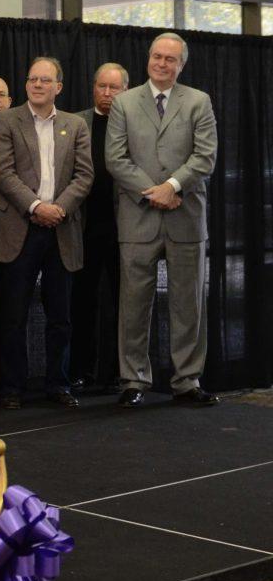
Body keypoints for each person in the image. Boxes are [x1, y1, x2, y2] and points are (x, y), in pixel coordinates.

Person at [106, 32, 218, 408]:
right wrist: (154, 191)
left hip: (186, 217)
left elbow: (205, 157)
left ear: (181, 64)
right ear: (148, 59)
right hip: (138, 216)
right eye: (157, 56)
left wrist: (173, 186)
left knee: (188, 304)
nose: (162, 63)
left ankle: (186, 380)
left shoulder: (198, 102)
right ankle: (133, 381)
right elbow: (115, 159)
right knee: (134, 303)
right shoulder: (123, 102)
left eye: (171, 59)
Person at [0, 57, 92, 410]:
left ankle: (58, 384)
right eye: (32, 79)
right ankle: (12, 387)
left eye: (45, 80)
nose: (38, 85)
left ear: (58, 86)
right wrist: (36, 207)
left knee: (60, 316)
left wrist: (58, 208)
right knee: (12, 315)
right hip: (18, 225)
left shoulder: (76, 125)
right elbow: (4, 172)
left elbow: (84, 176)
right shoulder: (5, 120)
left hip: (61, 228)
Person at [71, 62, 128, 393]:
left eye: (114, 88)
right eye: (101, 87)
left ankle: (123, 372)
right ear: (93, 87)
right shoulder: (75, 122)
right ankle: (82, 370)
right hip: (84, 227)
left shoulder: (135, 123)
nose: (106, 94)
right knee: (82, 302)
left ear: (125, 90)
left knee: (126, 305)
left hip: (126, 228)